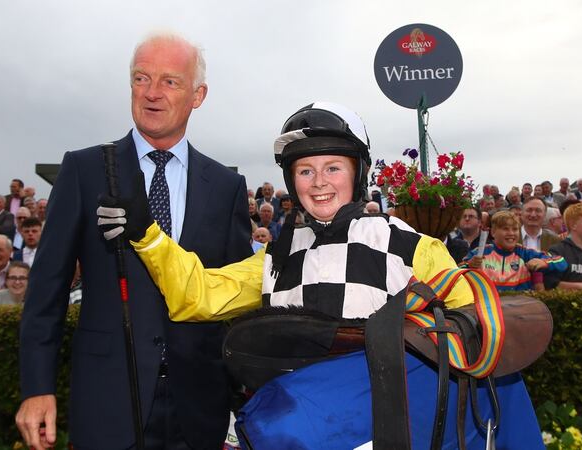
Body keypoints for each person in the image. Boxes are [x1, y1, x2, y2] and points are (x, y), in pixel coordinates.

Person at [101, 102, 544, 449]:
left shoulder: (408, 244)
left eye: (332, 167)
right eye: (305, 171)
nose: (318, 182)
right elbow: (196, 296)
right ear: (292, 183)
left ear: (358, 173)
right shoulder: (275, 256)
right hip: (304, 431)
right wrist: (148, 235)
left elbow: (475, 328)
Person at [16, 32, 253, 450]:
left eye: (170, 82)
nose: (152, 93)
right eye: (141, 78)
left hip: (199, 405)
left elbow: (237, 298)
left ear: (198, 95)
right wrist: (37, 387)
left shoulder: (225, 185)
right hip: (108, 399)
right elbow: (46, 291)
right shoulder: (85, 171)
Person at [463, 211, 566, 292]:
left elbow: (561, 261)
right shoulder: (480, 253)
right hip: (488, 310)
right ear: (493, 232)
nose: (511, 233)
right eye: (506, 229)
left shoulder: (525, 253)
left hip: (519, 311)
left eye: (515, 229)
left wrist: (544, 263)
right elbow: (457, 271)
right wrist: (469, 266)